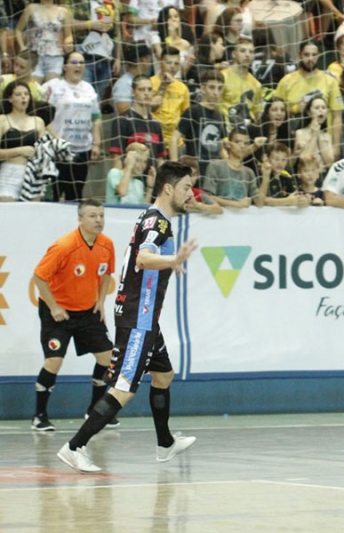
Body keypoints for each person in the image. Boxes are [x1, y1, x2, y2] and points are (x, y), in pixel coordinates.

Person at [56, 161, 200, 474]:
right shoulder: (157, 224)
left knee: (164, 375)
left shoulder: (155, 218)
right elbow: (144, 257)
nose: (191, 194)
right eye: (186, 187)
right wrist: (173, 259)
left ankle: (165, 444)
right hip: (138, 318)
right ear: (168, 188)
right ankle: (74, 447)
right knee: (124, 388)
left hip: (146, 318)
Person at [31, 199, 117, 432]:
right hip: (58, 313)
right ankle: (39, 415)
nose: (98, 220)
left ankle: (94, 410)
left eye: (101, 215)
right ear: (80, 219)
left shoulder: (107, 244)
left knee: (107, 358)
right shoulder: (65, 245)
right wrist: (54, 306)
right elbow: (39, 276)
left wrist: (100, 302)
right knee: (54, 360)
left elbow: (107, 274)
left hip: (87, 312)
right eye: (92, 216)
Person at [42, 52, 102, 201]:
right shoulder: (53, 86)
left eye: (82, 63)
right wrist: (57, 139)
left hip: (83, 149)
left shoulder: (89, 89)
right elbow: (42, 116)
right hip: (58, 150)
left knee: (75, 195)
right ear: (64, 66)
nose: (79, 66)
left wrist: (96, 143)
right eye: (74, 62)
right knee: (54, 193)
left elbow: (96, 118)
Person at [273, 40, 344, 158]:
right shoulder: (287, 81)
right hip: (294, 142)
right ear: (299, 54)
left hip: (323, 143)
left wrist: (336, 146)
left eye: (314, 55)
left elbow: (337, 115)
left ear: (319, 55)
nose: (310, 58)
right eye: (306, 55)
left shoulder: (330, 81)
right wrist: (295, 108)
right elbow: (275, 111)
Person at [171, 70, 227, 177]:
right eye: (212, 87)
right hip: (194, 171)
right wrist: (174, 167)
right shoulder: (193, 111)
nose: (216, 92)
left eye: (219, 88)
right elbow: (174, 138)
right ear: (202, 88)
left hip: (214, 172)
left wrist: (229, 165)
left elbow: (221, 149)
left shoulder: (220, 116)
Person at [109, 75, 167, 170]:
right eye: (141, 90)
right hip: (130, 180)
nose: (146, 93)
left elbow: (160, 159)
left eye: (149, 89)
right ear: (132, 92)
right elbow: (117, 158)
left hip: (151, 180)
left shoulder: (156, 124)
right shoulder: (122, 120)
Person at [0, 81, 45, 201]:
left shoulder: (38, 121)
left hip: (34, 174)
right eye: (18, 94)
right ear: (10, 99)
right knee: (7, 216)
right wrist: (20, 151)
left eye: (26, 94)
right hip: (9, 174)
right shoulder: (2, 120)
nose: (23, 97)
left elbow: (44, 151)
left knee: (33, 217)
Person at [73, 0, 121, 104]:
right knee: (83, 96)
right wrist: (90, 24)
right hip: (85, 57)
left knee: (97, 100)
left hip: (106, 59)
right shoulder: (81, 2)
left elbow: (117, 33)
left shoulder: (112, 4)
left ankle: (94, 119)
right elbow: (68, 24)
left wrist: (118, 58)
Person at [15, 0, 74, 83]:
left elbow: (68, 35)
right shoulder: (31, 8)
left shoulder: (63, 11)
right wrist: (22, 47)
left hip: (55, 57)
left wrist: (68, 43)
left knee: (51, 89)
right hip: (34, 56)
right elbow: (18, 30)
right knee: (33, 87)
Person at [202, 126, 259, 208]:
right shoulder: (215, 166)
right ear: (228, 144)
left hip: (242, 218)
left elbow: (259, 203)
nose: (242, 146)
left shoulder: (249, 172)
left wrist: (266, 175)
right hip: (219, 218)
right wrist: (236, 204)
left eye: (246, 143)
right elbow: (207, 197)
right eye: (238, 142)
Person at [150, 46, 190, 149]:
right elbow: (148, 108)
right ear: (160, 62)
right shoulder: (149, 83)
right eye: (168, 63)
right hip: (153, 139)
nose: (172, 66)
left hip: (177, 143)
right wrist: (163, 86)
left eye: (176, 63)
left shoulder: (183, 88)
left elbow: (185, 116)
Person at [220, 37, 264, 127]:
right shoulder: (222, 77)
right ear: (234, 54)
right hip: (226, 131)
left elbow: (257, 113)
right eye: (243, 51)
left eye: (251, 52)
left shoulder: (256, 84)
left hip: (246, 133)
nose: (247, 55)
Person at [256, 142, 310, 207]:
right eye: (276, 159)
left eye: (283, 160)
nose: (280, 163)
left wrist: (304, 200)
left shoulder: (286, 176)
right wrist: (287, 201)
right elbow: (262, 201)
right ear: (267, 159)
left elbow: (295, 195)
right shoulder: (261, 175)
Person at [293, 95, 335, 170]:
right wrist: (314, 135)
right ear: (309, 112)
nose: (321, 110)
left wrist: (319, 137)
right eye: (317, 108)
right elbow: (305, 159)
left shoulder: (327, 136)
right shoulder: (300, 133)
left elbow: (329, 164)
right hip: (306, 175)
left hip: (322, 175)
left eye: (323, 108)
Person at [112, 42, 152, 115]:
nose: (150, 60)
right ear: (143, 59)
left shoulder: (144, 80)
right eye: (149, 57)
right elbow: (122, 111)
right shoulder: (124, 83)